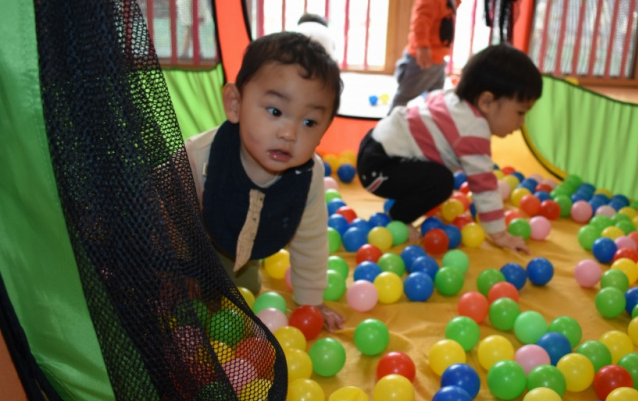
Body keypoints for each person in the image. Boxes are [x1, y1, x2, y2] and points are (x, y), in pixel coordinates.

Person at [185, 32, 345, 331]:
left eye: (309, 122)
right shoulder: (199, 156)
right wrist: (176, 270)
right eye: (275, 111)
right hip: (189, 244)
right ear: (235, 104)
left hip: (243, 250)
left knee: (245, 292)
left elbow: (310, 239)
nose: (289, 134)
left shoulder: (307, 175)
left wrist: (311, 302)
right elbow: (161, 218)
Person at [357, 44, 543, 253]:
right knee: (442, 182)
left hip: (373, 146)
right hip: (380, 169)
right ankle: (398, 218)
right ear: (487, 102)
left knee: (437, 174)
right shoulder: (473, 130)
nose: (521, 123)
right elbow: (484, 185)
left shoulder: (452, 99)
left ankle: (405, 200)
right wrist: (499, 233)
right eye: (520, 113)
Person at [388, 0, 471, 110]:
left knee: (436, 96)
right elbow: (420, 22)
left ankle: (430, 118)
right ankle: (390, 120)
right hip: (423, 59)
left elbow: (445, 15)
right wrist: (422, 46)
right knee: (405, 94)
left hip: (437, 59)